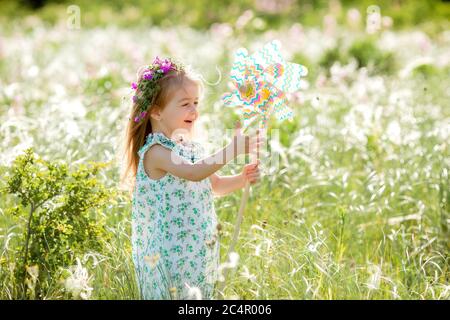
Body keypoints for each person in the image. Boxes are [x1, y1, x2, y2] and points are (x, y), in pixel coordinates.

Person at [120, 56, 262, 299]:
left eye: (196, 102)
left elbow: (213, 184)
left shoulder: (191, 148)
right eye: (185, 103)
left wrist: (241, 179)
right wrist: (232, 149)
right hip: (169, 255)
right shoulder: (156, 152)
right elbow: (194, 173)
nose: (194, 111)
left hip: (198, 248)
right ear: (156, 111)